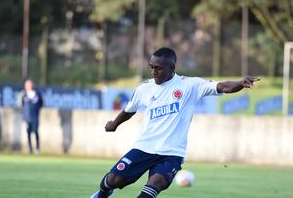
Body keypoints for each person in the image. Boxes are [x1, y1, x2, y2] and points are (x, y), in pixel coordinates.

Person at [90, 47, 259, 198]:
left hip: (172, 152)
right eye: (152, 67)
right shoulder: (144, 88)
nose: (154, 72)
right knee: (114, 180)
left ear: (172, 68)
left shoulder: (190, 85)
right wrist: (114, 124)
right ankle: (104, 192)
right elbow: (129, 109)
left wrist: (239, 83)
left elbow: (222, 86)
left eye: (159, 68)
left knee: (154, 185)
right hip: (144, 147)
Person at [20, 79, 43, 155]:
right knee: (28, 133)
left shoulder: (37, 94)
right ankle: (30, 149)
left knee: (35, 131)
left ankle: (37, 148)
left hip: (35, 117)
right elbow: (22, 105)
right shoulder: (23, 95)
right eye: (26, 85)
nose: (27, 86)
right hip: (27, 117)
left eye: (29, 84)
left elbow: (41, 104)